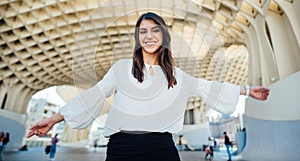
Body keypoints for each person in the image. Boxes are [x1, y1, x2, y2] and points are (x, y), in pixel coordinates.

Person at [26, 12, 270, 161]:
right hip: (122, 148)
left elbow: (210, 87)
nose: (149, 36)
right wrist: (55, 118)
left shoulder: (177, 76)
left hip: (161, 148)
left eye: (155, 30)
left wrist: (247, 91)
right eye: (143, 31)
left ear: (163, 36)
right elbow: (94, 95)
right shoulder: (121, 68)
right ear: (138, 38)